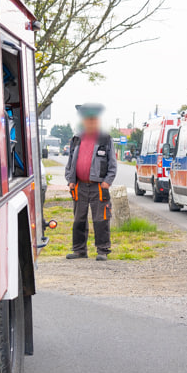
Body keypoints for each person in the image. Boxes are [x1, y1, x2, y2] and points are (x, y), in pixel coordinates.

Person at [64, 102, 117, 261]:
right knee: (79, 219)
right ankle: (79, 250)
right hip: (79, 185)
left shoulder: (105, 139)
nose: (90, 123)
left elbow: (112, 164)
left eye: (93, 120)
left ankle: (102, 250)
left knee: (100, 219)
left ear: (97, 121)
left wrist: (107, 181)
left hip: (99, 186)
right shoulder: (76, 139)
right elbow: (70, 162)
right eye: (87, 120)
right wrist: (70, 180)